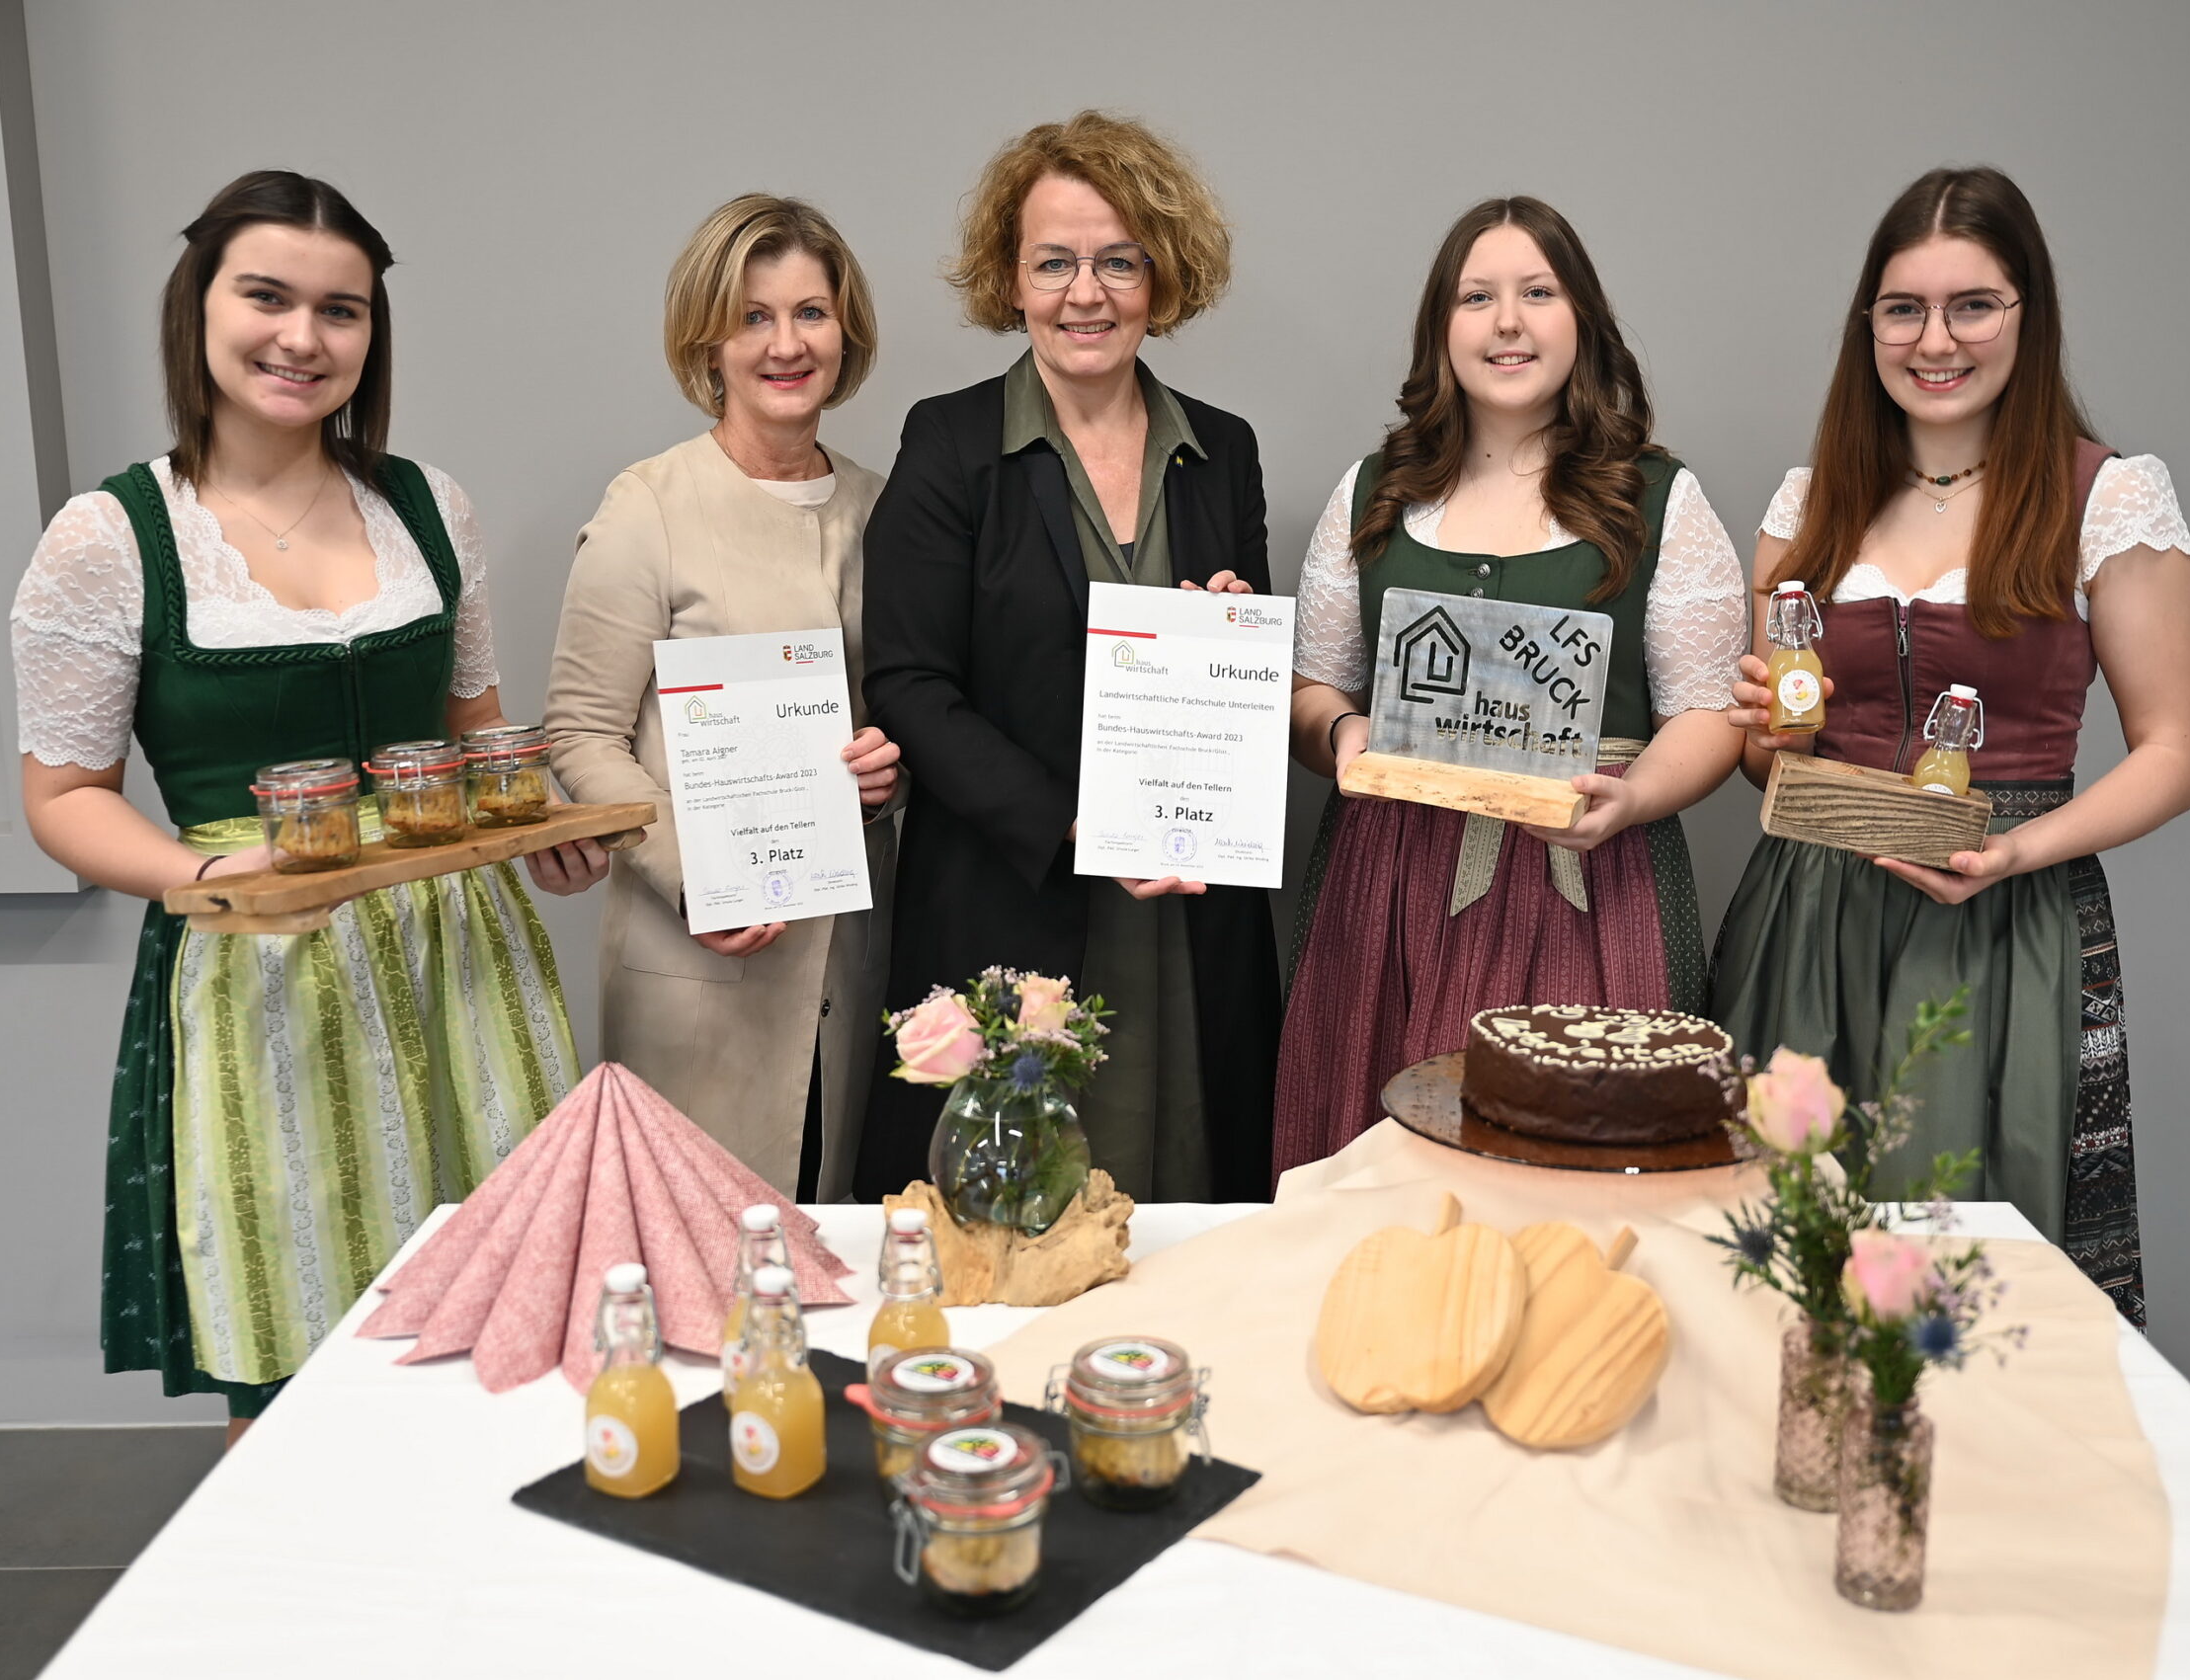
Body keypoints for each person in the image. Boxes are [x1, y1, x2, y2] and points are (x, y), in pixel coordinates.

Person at [9, 171, 605, 1432]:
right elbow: (62, 796)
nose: (304, 337)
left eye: (342, 310)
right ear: (199, 306)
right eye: (267, 296)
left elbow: (474, 733)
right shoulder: (111, 537)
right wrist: (202, 878)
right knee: (297, 1333)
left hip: (461, 951)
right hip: (261, 961)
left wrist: (537, 826)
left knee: (502, 1328)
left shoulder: (427, 508)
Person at [1708, 166, 2190, 1327]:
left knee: (1961, 1265)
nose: (1935, 339)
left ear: (2027, 315)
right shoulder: (1809, 501)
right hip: (1803, 919)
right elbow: (1770, 767)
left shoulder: (2108, 496)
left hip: (2003, 919)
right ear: (1868, 325)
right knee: (1783, 1253)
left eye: (1972, 304)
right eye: (1903, 309)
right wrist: (1763, 728)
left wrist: (2012, 854)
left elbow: (2178, 750)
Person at [855, 112, 1280, 1203]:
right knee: (1008, 1219)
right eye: (1054, 262)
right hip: (1013, 897)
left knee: (1192, 1205)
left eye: (1117, 261)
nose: (1084, 293)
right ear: (1011, 278)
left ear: (1161, 275)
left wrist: (1235, 624)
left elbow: (1247, 674)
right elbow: (908, 679)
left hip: (1190, 916)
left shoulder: (1220, 448)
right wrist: (1071, 824)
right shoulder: (950, 442)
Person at [1276, 198, 1747, 1173]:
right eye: (1476, 296)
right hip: (1393, 881)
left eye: (1537, 292)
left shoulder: (1658, 497)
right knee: (1383, 1179)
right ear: (1438, 329)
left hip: (1590, 875)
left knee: (1579, 1180)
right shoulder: (1375, 493)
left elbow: (1707, 714)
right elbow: (1312, 689)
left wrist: (1635, 800)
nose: (1507, 322)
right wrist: (1341, 735)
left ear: (1582, 318)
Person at [546, 196, 903, 1199]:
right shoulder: (649, 506)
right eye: (754, 316)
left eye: (811, 314)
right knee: (688, 1274)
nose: (786, 344)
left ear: (847, 331)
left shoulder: (890, 508)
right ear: (709, 338)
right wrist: (690, 871)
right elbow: (580, 734)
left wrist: (895, 765)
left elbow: (908, 715)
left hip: (848, 973)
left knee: (836, 1274)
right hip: (694, 970)